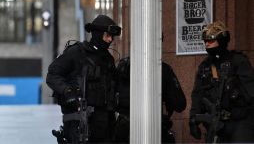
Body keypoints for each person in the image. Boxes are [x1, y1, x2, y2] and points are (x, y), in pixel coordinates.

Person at [46, 14, 121, 143]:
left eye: (112, 37)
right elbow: (52, 75)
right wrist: (67, 91)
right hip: (80, 123)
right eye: (107, 36)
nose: (110, 40)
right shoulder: (76, 52)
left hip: (106, 126)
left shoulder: (108, 59)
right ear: (97, 34)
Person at [189, 20, 254, 143]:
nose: (207, 44)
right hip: (215, 124)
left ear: (222, 40)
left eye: (211, 41)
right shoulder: (205, 66)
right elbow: (197, 94)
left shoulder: (238, 61)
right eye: (205, 41)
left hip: (240, 123)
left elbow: (251, 92)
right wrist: (193, 120)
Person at [113, 56, 186, 143]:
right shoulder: (163, 68)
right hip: (154, 128)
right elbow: (180, 104)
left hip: (125, 129)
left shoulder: (121, 67)